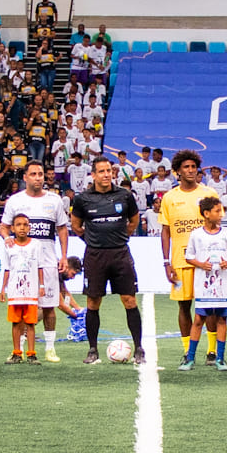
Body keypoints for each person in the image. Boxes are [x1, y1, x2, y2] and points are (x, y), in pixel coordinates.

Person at [68, 156, 143, 365]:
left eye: (109, 170)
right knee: (93, 302)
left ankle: (139, 349)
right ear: (93, 175)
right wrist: (91, 240)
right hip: (94, 256)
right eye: (101, 171)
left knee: (129, 300)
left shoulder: (125, 195)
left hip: (120, 254)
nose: (106, 174)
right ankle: (92, 350)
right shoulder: (83, 198)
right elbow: (76, 225)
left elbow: (134, 220)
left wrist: (122, 236)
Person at [1, 162, 72, 363]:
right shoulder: (15, 201)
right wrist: (7, 238)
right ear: (25, 177)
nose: (38, 177)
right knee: (22, 309)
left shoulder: (55, 200)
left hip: (48, 262)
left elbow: (62, 229)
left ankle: (50, 348)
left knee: (49, 306)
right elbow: (4, 227)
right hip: (23, 267)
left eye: (41, 174)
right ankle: (20, 349)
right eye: (33, 174)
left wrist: (64, 256)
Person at [161, 151, 227, 357]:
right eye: (186, 167)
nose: (190, 170)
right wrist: (166, 262)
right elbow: (166, 231)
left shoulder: (209, 194)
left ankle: (211, 350)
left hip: (207, 262)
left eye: (193, 167)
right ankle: (186, 351)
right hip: (180, 261)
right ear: (178, 171)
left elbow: (219, 226)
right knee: (184, 307)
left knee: (209, 307)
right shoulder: (170, 197)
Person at [181, 195, 227, 370]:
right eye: (217, 211)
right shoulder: (196, 234)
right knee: (199, 319)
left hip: (223, 283)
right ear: (206, 213)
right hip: (204, 284)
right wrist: (200, 264)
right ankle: (190, 358)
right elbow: (189, 256)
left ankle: (220, 359)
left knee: (222, 319)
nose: (221, 214)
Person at [1, 211, 45, 364]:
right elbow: (7, 268)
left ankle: (31, 354)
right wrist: (3, 289)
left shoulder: (36, 245)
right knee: (15, 323)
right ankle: (16, 353)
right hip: (15, 291)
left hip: (30, 290)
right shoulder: (9, 246)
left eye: (25, 225)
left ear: (29, 228)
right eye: (18, 225)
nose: (22, 228)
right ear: (12, 228)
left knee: (30, 323)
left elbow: (40, 266)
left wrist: (42, 285)